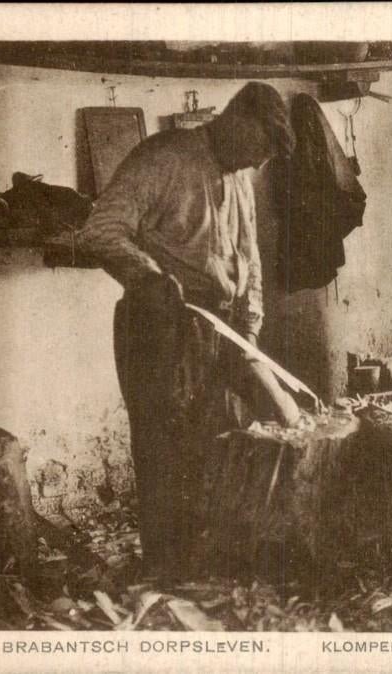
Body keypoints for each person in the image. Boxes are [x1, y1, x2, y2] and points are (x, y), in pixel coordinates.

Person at [76, 82, 294, 578]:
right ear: (238, 121)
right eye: (258, 150)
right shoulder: (164, 157)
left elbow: (249, 257)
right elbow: (100, 229)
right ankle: (167, 571)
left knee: (219, 444)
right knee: (163, 452)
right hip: (158, 325)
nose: (257, 165)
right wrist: (150, 279)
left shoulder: (239, 174)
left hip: (219, 327)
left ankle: (209, 565)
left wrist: (251, 328)